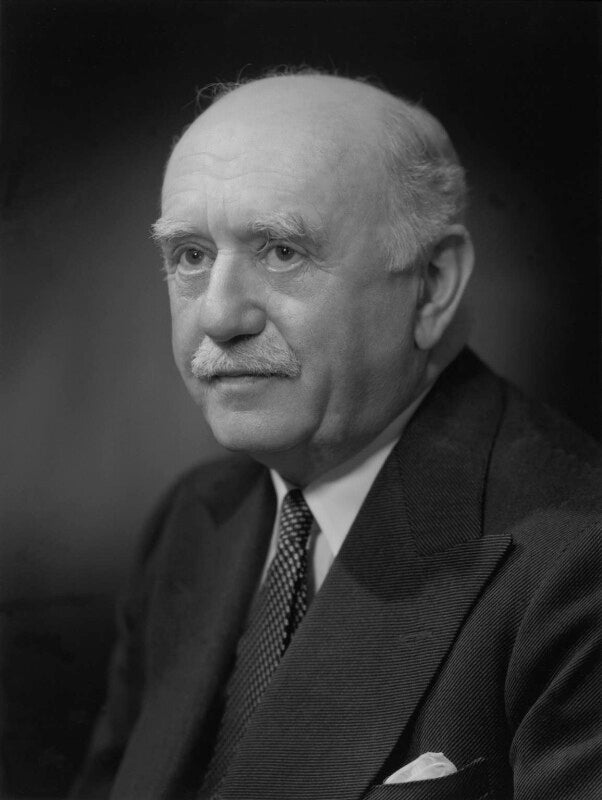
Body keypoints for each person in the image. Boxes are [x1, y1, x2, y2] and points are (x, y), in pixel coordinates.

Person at [72, 69, 601, 800]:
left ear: (433, 283)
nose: (219, 316)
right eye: (191, 256)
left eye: (281, 252)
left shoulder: (575, 566)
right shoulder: (195, 520)